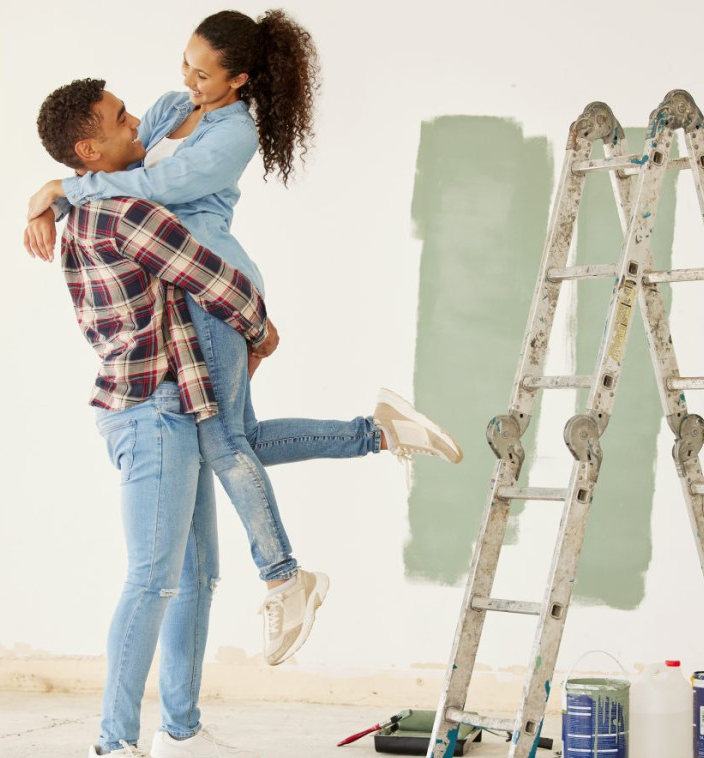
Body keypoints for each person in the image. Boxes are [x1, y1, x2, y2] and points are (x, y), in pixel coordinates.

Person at [24, 9, 462, 667]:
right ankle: (379, 431)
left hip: (212, 285)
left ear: (239, 79)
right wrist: (50, 197)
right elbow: (115, 165)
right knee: (238, 441)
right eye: (185, 65)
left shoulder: (235, 134)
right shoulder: (173, 108)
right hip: (183, 295)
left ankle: (286, 579)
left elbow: (158, 185)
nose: (188, 80)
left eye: (204, 73)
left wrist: (64, 187)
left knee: (221, 442)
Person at [37, 77, 273, 758]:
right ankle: (111, 746)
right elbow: (216, 279)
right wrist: (262, 329)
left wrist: (49, 188)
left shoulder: (86, 202)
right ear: (89, 148)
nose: (136, 119)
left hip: (172, 404)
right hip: (153, 411)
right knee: (153, 579)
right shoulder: (123, 212)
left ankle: (180, 731)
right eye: (118, 118)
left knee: (195, 575)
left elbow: (169, 112)